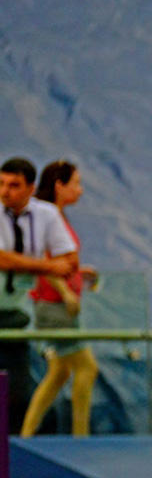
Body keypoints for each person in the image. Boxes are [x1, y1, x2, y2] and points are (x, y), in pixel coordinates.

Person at [20, 161, 99, 436]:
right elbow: (41, 258)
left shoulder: (56, 216)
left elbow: (58, 258)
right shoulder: (46, 216)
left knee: (59, 373)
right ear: (59, 185)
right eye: (75, 183)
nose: (80, 189)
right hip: (54, 306)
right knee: (87, 368)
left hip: (55, 304)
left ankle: (26, 435)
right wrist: (65, 291)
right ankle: (81, 437)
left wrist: (78, 272)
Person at [0, 157, 77, 434]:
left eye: (14, 185)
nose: (5, 191)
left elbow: (69, 261)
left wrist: (42, 266)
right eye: (1, 184)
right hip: (36, 310)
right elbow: (2, 260)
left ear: (31, 188)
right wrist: (45, 265)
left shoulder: (46, 215)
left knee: (18, 394)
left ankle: (18, 449)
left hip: (19, 319)